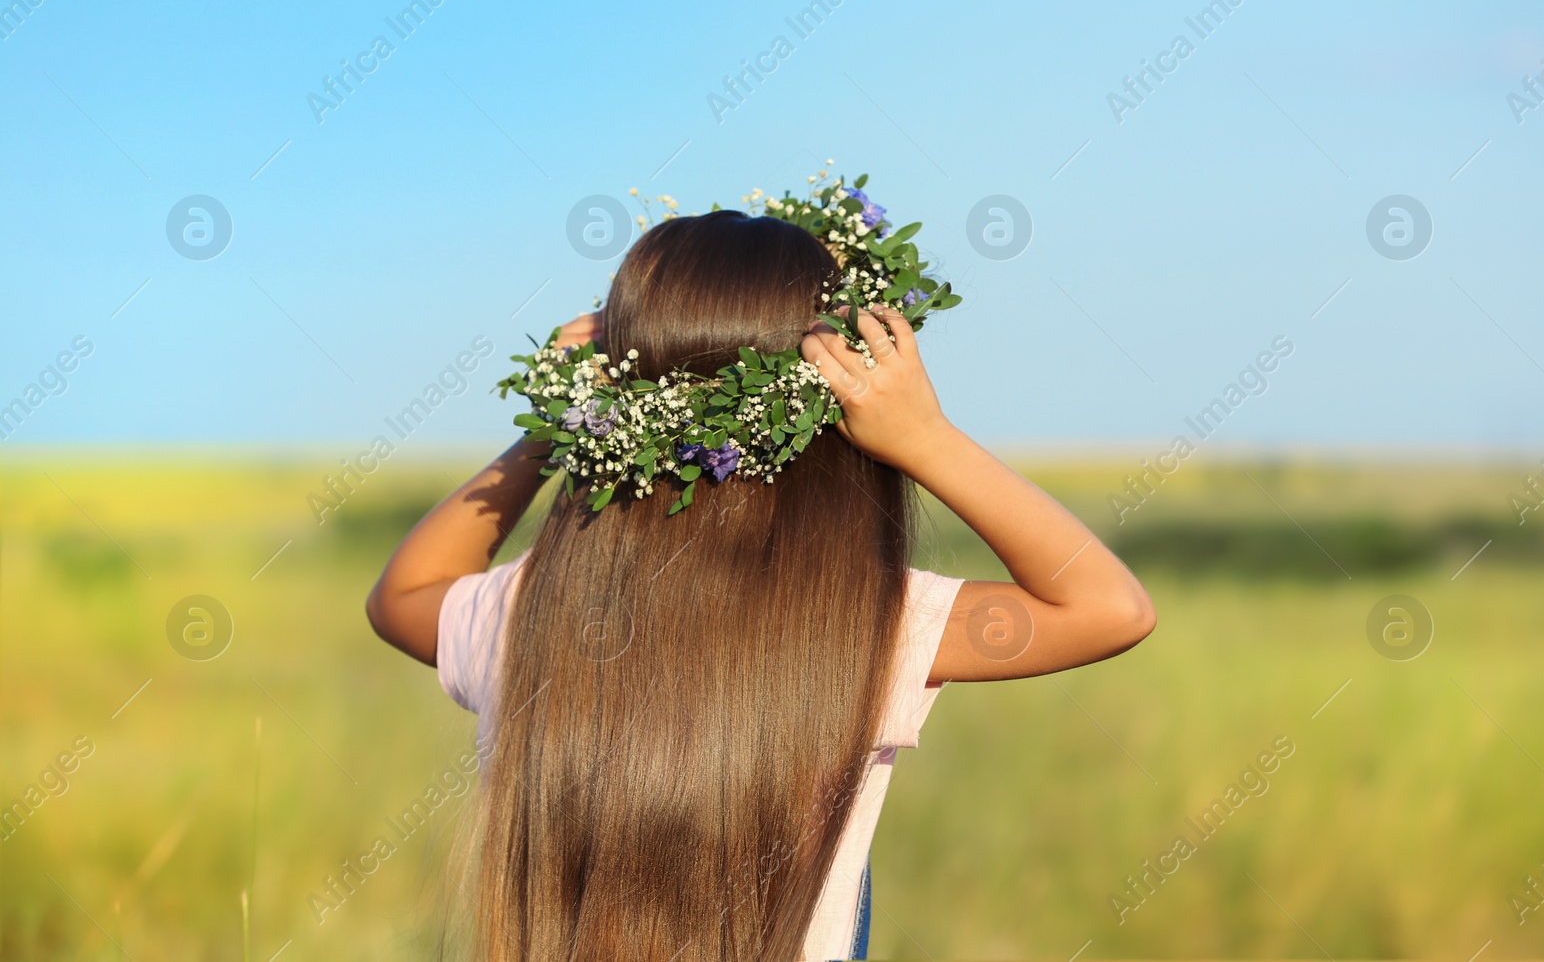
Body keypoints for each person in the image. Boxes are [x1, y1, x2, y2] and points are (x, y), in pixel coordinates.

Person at [366, 210, 1155, 961]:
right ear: (818, 402)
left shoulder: (527, 611)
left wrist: (550, 428)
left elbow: (405, 593)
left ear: (610, 397)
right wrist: (925, 438)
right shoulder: (867, 619)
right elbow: (1106, 606)